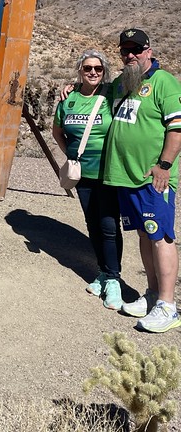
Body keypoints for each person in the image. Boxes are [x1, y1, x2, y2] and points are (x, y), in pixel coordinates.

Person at [103, 28, 181, 333]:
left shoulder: (164, 82)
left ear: (149, 51)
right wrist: (71, 87)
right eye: (125, 50)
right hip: (126, 176)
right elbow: (94, 91)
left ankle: (168, 305)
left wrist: (164, 165)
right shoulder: (123, 83)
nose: (130, 55)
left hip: (153, 178)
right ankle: (152, 295)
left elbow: (177, 129)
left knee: (161, 237)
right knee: (145, 234)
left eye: (136, 49)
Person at [53, 49, 123, 310]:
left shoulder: (111, 94)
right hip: (82, 174)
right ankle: (103, 273)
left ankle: (114, 279)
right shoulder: (69, 98)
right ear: (80, 71)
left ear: (104, 71)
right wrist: (71, 156)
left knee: (108, 225)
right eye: (87, 68)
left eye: (98, 68)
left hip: (108, 172)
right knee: (92, 224)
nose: (93, 72)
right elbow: (57, 131)